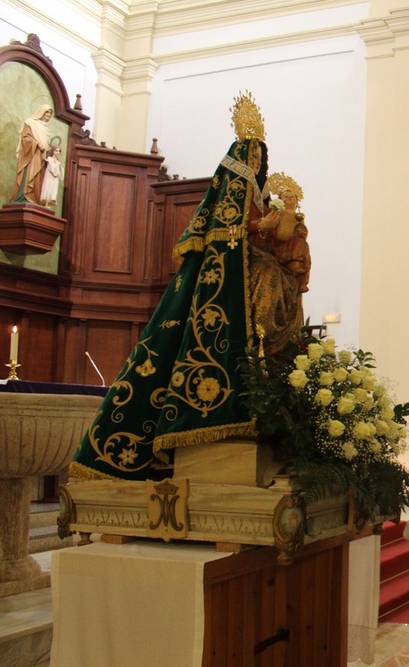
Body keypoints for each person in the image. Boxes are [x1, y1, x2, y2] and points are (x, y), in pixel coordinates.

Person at [71, 92, 272, 480]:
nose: (263, 166)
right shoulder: (229, 217)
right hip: (222, 305)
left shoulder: (257, 205)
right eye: (259, 158)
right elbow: (231, 238)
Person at [248, 171, 310, 355]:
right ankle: (263, 339)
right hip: (257, 255)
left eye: (292, 197)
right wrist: (261, 225)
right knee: (272, 275)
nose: (289, 200)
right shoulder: (272, 211)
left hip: (274, 255)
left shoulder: (285, 213)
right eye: (286, 197)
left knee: (290, 279)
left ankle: (281, 346)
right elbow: (276, 235)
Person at [12, 104, 52, 205]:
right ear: (41, 112)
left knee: (38, 178)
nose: (49, 114)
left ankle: (34, 198)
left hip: (41, 157)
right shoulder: (31, 122)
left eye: (51, 112)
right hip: (31, 155)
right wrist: (37, 143)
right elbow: (25, 137)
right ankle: (24, 196)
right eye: (47, 111)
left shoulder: (46, 129)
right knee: (29, 175)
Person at [39, 144, 62, 208]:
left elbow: (60, 174)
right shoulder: (49, 159)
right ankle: (45, 203)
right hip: (49, 177)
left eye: (59, 151)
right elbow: (53, 170)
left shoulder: (59, 162)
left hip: (55, 180)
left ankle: (49, 204)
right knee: (48, 188)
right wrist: (56, 164)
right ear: (53, 151)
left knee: (53, 190)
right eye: (56, 150)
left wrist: (59, 165)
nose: (58, 152)